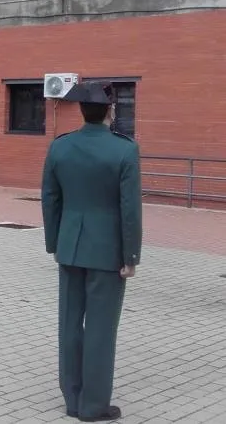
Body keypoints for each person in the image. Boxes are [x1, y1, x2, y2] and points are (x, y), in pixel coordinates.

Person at [41, 81, 142, 423]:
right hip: (108, 251)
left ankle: (72, 398)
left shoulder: (60, 147)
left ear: (82, 112)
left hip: (70, 247)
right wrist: (130, 257)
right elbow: (130, 209)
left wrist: (55, 242)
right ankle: (93, 404)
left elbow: (50, 198)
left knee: (70, 323)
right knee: (100, 328)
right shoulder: (125, 150)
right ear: (109, 111)